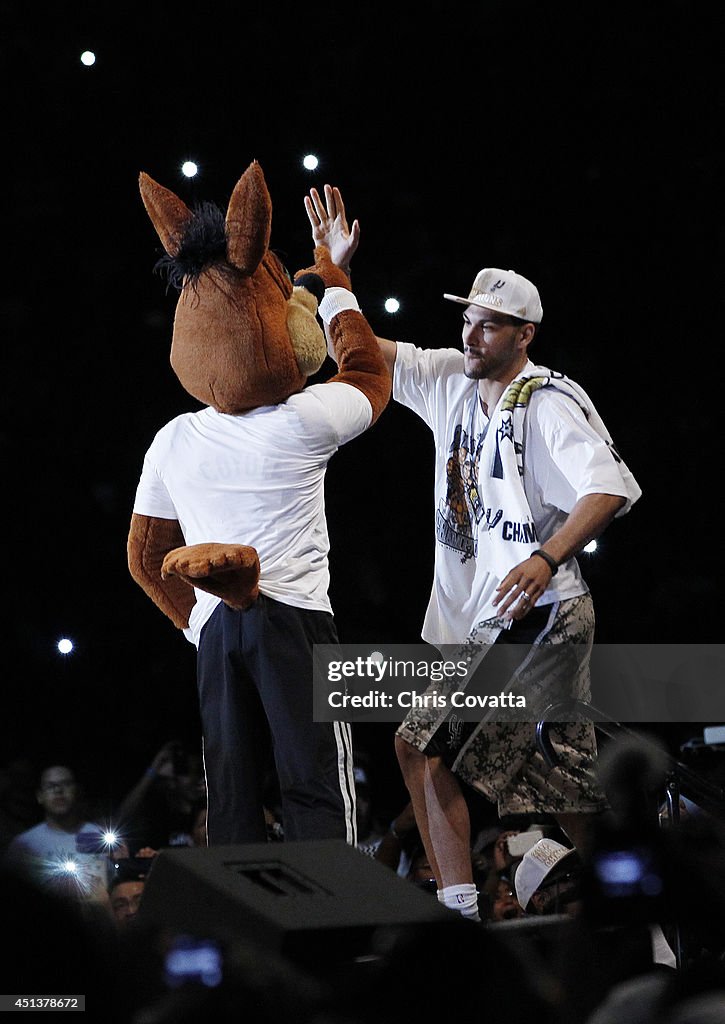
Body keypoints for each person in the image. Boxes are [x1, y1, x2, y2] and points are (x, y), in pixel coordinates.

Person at [304, 184, 642, 922]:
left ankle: (457, 912)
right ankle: (641, 922)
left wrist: (544, 556)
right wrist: (336, 278)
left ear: (524, 335)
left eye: (489, 327)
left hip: (541, 614)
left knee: (418, 745)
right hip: (492, 620)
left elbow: (609, 490)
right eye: (467, 320)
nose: (471, 335)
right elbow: (362, 350)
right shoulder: (450, 381)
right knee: (564, 790)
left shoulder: (549, 401)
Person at [3, 764, 114, 905]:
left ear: (76, 791)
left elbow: (115, 884)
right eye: (50, 786)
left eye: (66, 784)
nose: (58, 791)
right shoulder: (23, 845)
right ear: (40, 796)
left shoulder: (100, 836)